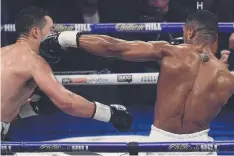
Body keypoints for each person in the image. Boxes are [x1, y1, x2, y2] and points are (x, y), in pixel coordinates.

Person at [42, 10, 234, 155]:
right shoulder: (228, 78)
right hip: (200, 148)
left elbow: (113, 47)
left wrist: (66, 38)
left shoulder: (171, 52)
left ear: (190, 32)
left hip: (161, 144)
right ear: (215, 38)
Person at [1, 6, 132, 140]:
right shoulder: (34, 61)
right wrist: (110, 114)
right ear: (35, 32)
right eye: (51, 30)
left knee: (44, 104)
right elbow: (67, 102)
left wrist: (33, 108)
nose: (54, 35)